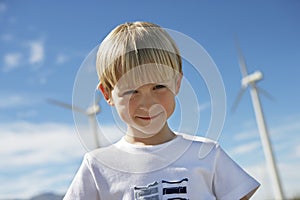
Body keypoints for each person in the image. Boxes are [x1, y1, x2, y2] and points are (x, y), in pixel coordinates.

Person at [64, 21, 260, 200]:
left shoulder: (208, 154)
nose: (148, 103)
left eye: (158, 87)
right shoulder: (97, 167)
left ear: (177, 82)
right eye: (132, 91)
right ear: (107, 94)